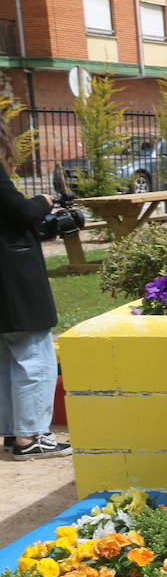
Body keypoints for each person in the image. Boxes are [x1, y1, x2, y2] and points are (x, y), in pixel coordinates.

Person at [1, 132, 71, 460]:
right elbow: (17, 210)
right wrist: (43, 202)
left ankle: (15, 432)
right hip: (12, 278)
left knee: (7, 358)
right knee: (33, 355)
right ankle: (30, 437)